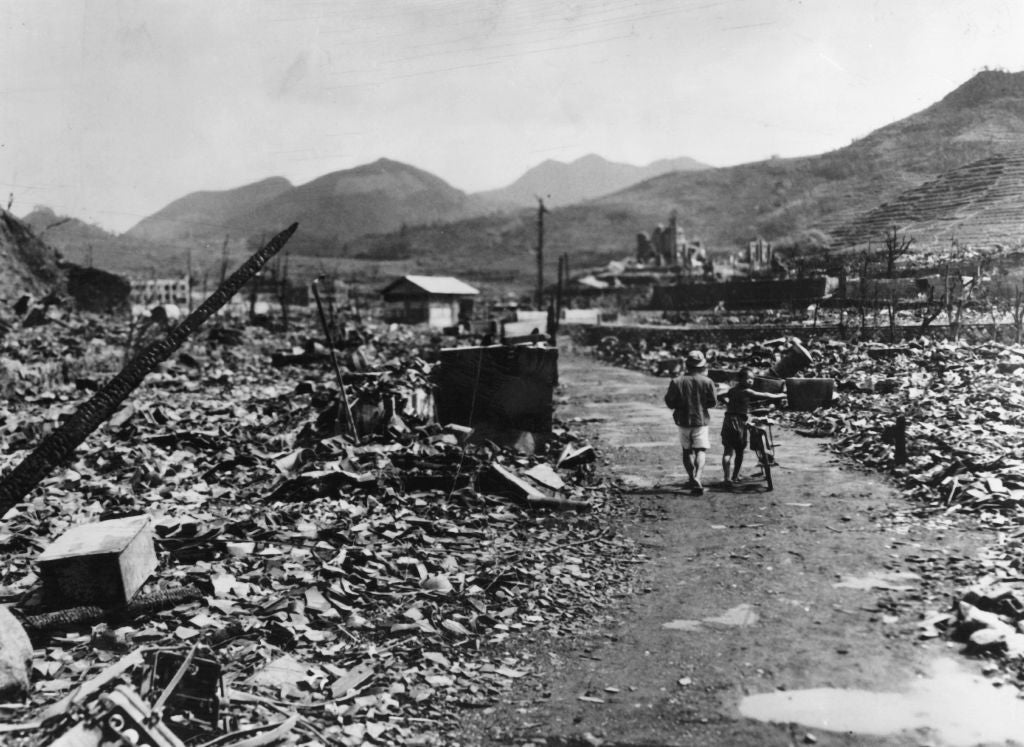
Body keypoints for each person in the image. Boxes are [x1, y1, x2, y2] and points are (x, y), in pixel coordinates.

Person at [719, 368, 786, 485]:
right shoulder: (747, 391)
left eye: (752, 379)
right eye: (748, 379)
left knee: (728, 451)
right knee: (739, 452)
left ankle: (726, 478)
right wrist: (781, 395)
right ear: (740, 379)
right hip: (739, 422)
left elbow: (720, 396)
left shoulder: (732, 391)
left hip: (728, 420)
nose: (751, 381)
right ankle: (734, 476)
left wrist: (728, 403)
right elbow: (765, 395)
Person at [664, 350, 717, 495]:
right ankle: (698, 477)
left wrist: (679, 405)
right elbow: (713, 402)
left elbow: (669, 401)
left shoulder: (676, 381)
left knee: (687, 450)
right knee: (701, 450)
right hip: (700, 420)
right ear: (702, 366)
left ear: (687, 365)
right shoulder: (708, 381)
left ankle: (691, 477)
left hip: (683, 420)